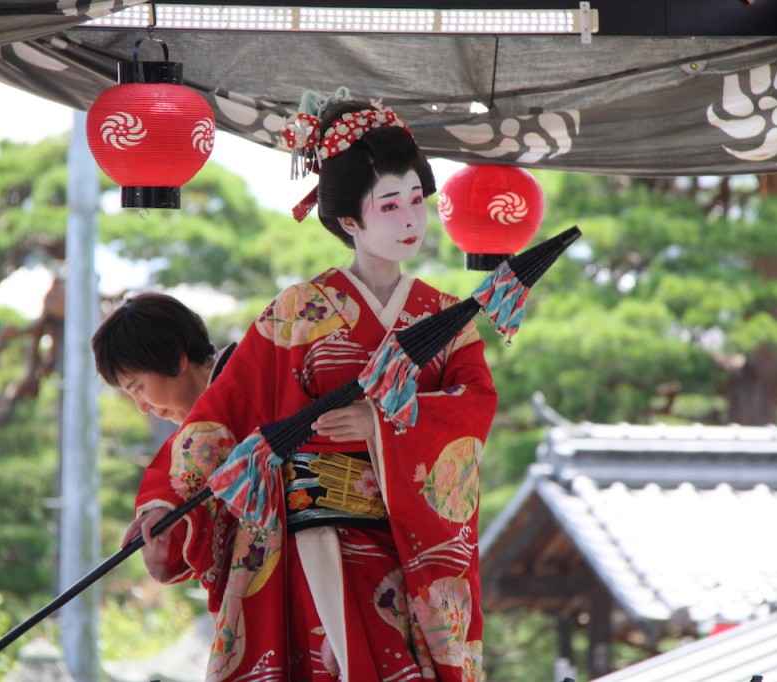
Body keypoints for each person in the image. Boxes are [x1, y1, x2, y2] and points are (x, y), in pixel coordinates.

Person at [132, 89, 498, 681]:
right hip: (313, 546)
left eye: (415, 201)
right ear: (349, 221)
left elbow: (473, 408)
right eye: (390, 206)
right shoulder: (297, 312)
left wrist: (380, 426)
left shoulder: (446, 319)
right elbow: (228, 409)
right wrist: (165, 501)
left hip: (410, 552)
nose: (410, 219)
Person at [90, 291, 235, 581]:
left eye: (138, 387)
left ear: (176, 359)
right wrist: (163, 512)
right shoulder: (206, 420)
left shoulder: (255, 372)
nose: (142, 407)